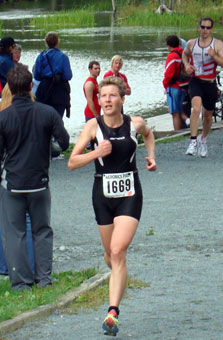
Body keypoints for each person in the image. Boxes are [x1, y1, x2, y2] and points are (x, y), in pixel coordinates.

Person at [67, 76, 156, 336]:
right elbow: (72, 162)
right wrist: (96, 152)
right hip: (102, 196)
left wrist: (151, 157)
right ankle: (119, 273)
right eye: (102, 96)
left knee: (117, 251)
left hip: (130, 193)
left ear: (122, 99)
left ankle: (112, 313)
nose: (106, 100)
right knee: (111, 255)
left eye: (112, 96)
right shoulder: (92, 127)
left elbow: (149, 135)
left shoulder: (134, 123)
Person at [0, 64, 70, 291]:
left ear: (9, 89)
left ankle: (21, 282)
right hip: (39, 182)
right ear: (31, 86)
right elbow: (63, 142)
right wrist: (48, 145)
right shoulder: (47, 113)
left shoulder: (1, 118)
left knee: (15, 233)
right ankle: (44, 278)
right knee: (42, 230)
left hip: (11, 183)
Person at [0, 81, 35, 276]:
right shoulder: (32, 112)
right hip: (28, 172)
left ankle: (3, 264)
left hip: (3, 173)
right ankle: (29, 267)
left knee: (6, 220)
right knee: (27, 219)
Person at [182, 17, 223, 157]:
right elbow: (184, 55)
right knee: (196, 109)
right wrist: (186, 65)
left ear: (212, 29)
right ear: (199, 28)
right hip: (196, 81)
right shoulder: (192, 43)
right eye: (203, 27)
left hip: (210, 83)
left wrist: (214, 56)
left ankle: (203, 139)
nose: (205, 30)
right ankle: (193, 141)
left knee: (208, 115)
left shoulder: (217, 44)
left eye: (208, 28)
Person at [34, 31, 72, 118]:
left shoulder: (41, 56)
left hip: (44, 90)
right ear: (57, 42)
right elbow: (68, 76)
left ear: (46, 43)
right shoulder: (63, 57)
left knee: (44, 119)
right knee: (57, 119)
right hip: (59, 91)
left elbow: (36, 76)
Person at [163, 35, 190, 130]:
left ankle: (177, 133)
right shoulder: (185, 54)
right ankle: (187, 120)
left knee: (174, 113)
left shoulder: (172, 56)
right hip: (184, 85)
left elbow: (169, 74)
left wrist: (165, 86)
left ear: (168, 45)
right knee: (179, 109)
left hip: (174, 86)